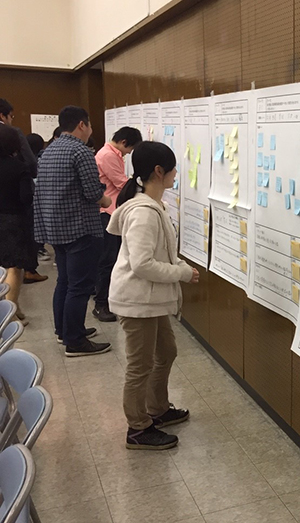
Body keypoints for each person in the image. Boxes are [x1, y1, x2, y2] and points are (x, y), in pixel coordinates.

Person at [108, 141, 198, 450]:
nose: (176, 174)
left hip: (150, 300)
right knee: (140, 366)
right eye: (173, 169)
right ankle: (138, 427)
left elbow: (162, 253)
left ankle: (157, 408)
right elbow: (142, 264)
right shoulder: (144, 213)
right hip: (136, 301)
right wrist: (181, 274)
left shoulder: (155, 206)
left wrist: (180, 266)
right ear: (159, 171)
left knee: (167, 351)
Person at [34, 106, 112, 357]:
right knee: (79, 286)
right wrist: (106, 201)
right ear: (81, 124)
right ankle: (75, 341)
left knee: (65, 282)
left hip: (56, 228)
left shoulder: (49, 150)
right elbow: (93, 192)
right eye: (90, 125)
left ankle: (65, 331)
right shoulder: (81, 151)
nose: (90, 130)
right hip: (81, 229)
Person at [93, 126, 142, 322]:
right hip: (107, 213)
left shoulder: (112, 154)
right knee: (108, 260)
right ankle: (101, 304)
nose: (129, 153)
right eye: (130, 149)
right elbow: (121, 183)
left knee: (110, 259)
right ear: (123, 142)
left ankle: (104, 299)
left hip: (112, 212)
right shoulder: (108, 155)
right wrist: (145, 189)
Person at [0, 126, 36, 324]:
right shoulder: (19, 167)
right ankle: (10, 314)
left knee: (2, 267)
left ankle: (14, 307)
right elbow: (26, 197)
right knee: (15, 267)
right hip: (13, 220)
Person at [22, 134, 50, 283]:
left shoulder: (20, 161)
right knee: (31, 234)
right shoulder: (31, 165)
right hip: (29, 204)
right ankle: (30, 270)